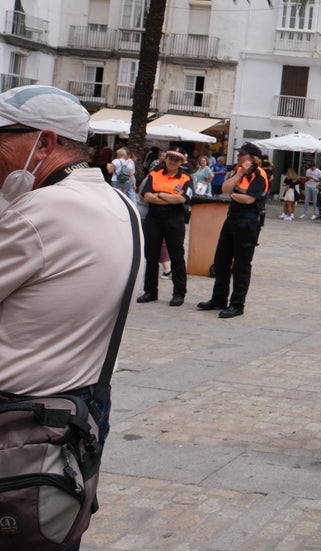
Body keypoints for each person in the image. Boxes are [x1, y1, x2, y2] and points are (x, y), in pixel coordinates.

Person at [0, 85, 142, 549]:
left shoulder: (38, 214)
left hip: (17, 421)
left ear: (45, 142)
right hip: (76, 418)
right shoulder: (123, 206)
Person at [197, 143, 269, 318]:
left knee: (241, 265)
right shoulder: (240, 173)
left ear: (252, 158)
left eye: (242, 155)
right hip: (232, 219)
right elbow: (225, 188)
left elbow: (249, 199)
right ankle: (218, 299)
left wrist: (235, 195)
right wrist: (241, 174)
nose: (238, 158)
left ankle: (237, 304)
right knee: (221, 260)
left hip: (248, 222)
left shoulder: (260, 175)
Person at [137, 149, 192, 307]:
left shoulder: (185, 178)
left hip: (174, 219)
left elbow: (182, 199)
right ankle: (150, 291)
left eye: (177, 159)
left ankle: (179, 293)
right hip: (154, 218)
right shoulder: (154, 175)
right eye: (170, 158)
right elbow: (146, 196)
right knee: (151, 255)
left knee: (176, 255)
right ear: (165, 159)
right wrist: (169, 197)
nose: (173, 161)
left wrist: (159, 195)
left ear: (182, 162)